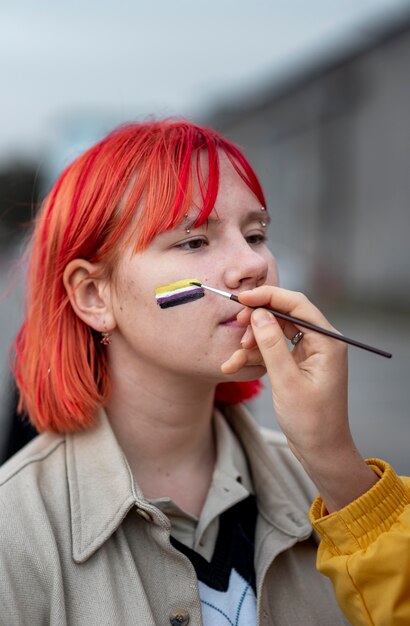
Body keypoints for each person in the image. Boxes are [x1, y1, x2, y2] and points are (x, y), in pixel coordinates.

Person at [0, 120, 408, 626]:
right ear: (93, 296)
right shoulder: (13, 533)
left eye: (256, 234)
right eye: (193, 241)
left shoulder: (329, 483)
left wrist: (338, 466)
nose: (252, 263)